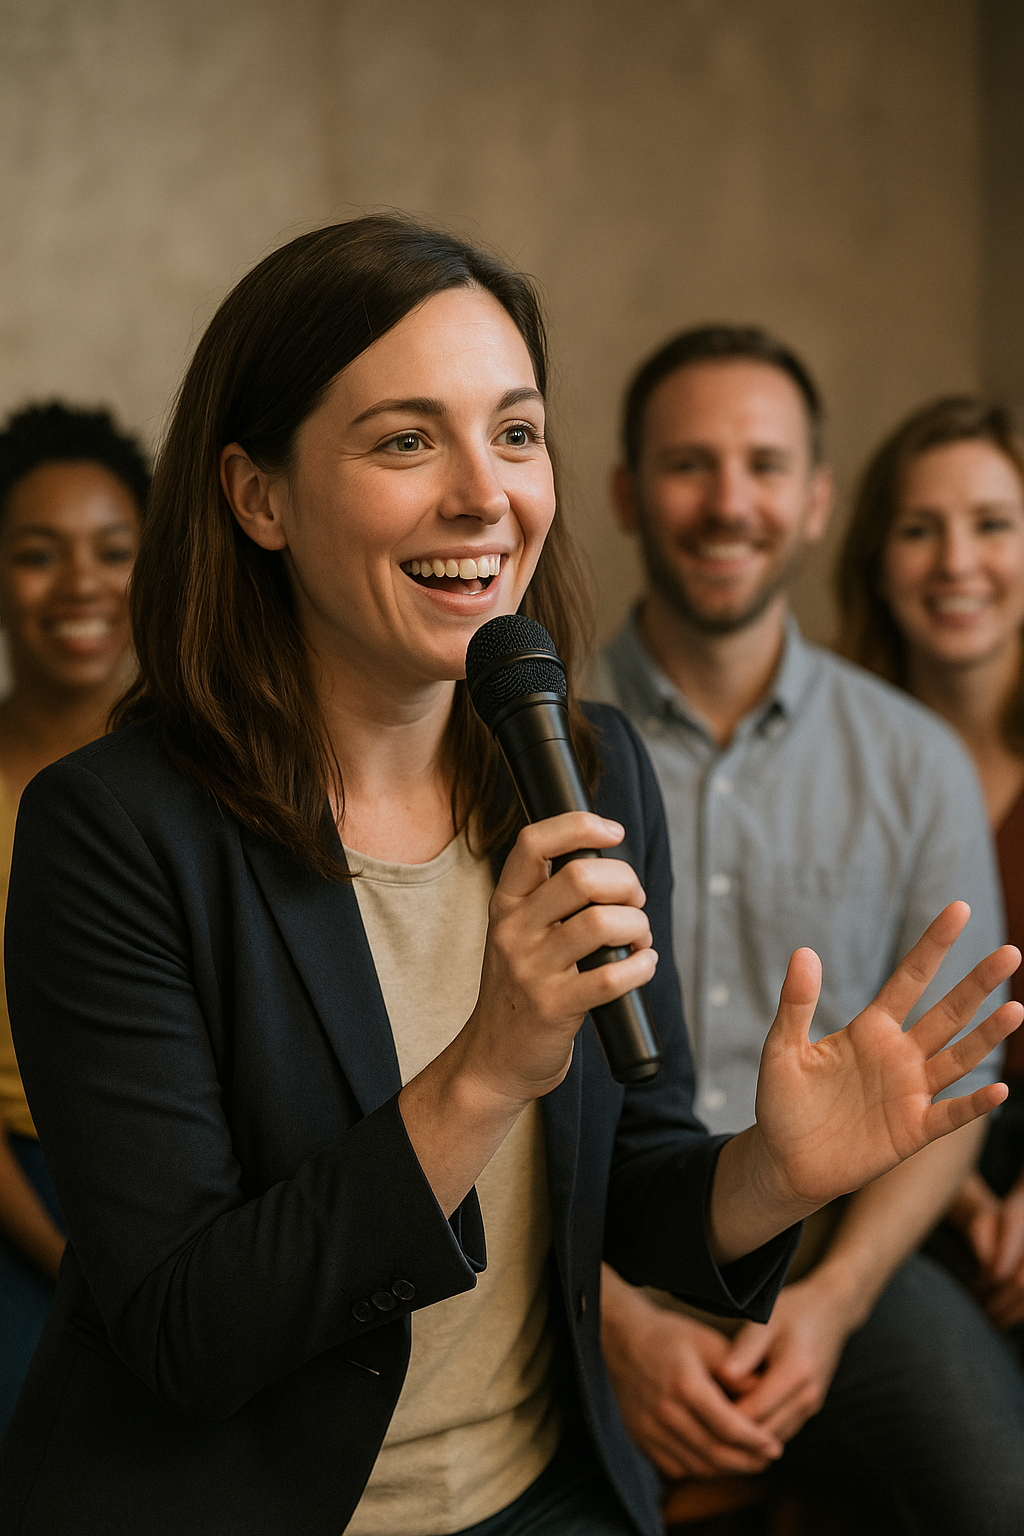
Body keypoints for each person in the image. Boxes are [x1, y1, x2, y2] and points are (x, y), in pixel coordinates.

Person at [0, 224, 1015, 1536]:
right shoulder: (111, 831)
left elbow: (627, 1179)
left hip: (545, 1494)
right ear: (256, 496)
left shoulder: (588, 766)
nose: (487, 496)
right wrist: (487, 1067)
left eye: (516, 432)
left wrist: (779, 1170)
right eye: (406, 439)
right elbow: (186, 1334)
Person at [589, 328, 1024, 1532]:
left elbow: (962, 1069)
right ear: (625, 491)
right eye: (688, 465)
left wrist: (830, 1304)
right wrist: (608, 1318)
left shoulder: (911, 758)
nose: (729, 502)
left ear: (817, 500)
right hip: (588, 1252)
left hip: (846, 1252)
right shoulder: (530, 742)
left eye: (765, 466)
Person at [837, 394, 1024, 1341]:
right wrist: (957, 1199)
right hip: (879, 1163)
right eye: (920, 529)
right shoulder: (826, 758)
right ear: (875, 557)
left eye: (992, 525)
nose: (957, 562)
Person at [0, 401, 146, 1433]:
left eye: (113, 550)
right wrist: (68, 1260)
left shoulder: (210, 764)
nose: (81, 585)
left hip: (200, 1178)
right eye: (37, 554)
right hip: (26, 1196)